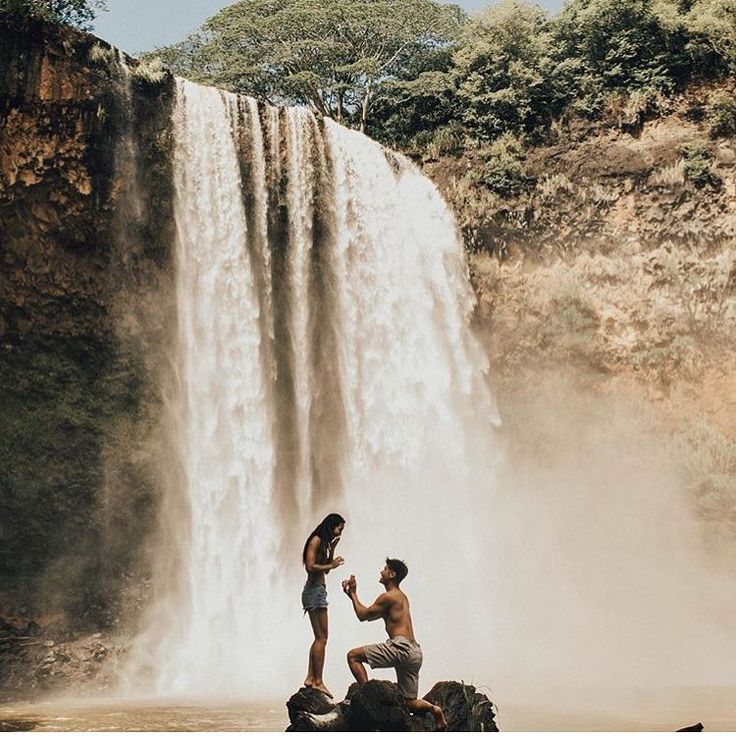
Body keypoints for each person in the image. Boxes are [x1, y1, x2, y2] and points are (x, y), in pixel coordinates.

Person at [343, 558, 447, 730]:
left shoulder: (388, 597)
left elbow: (363, 615)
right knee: (408, 702)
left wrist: (353, 593)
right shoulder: (403, 597)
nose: (381, 571)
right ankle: (433, 709)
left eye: (385, 569)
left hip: (401, 647)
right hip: (415, 652)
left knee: (353, 656)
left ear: (392, 574)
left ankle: (368, 697)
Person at [302, 513, 345, 698]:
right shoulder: (316, 540)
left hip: (318, 590)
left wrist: (332, 552)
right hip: (314, 592)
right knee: (322, 638)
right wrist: (333, 564)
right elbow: (310, 566)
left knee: (320, 637)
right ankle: (318, 681)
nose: (339, 532)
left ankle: (310, 678)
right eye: (339, 529)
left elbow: (325, 570)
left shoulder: (324, 543)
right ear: (331, 526)